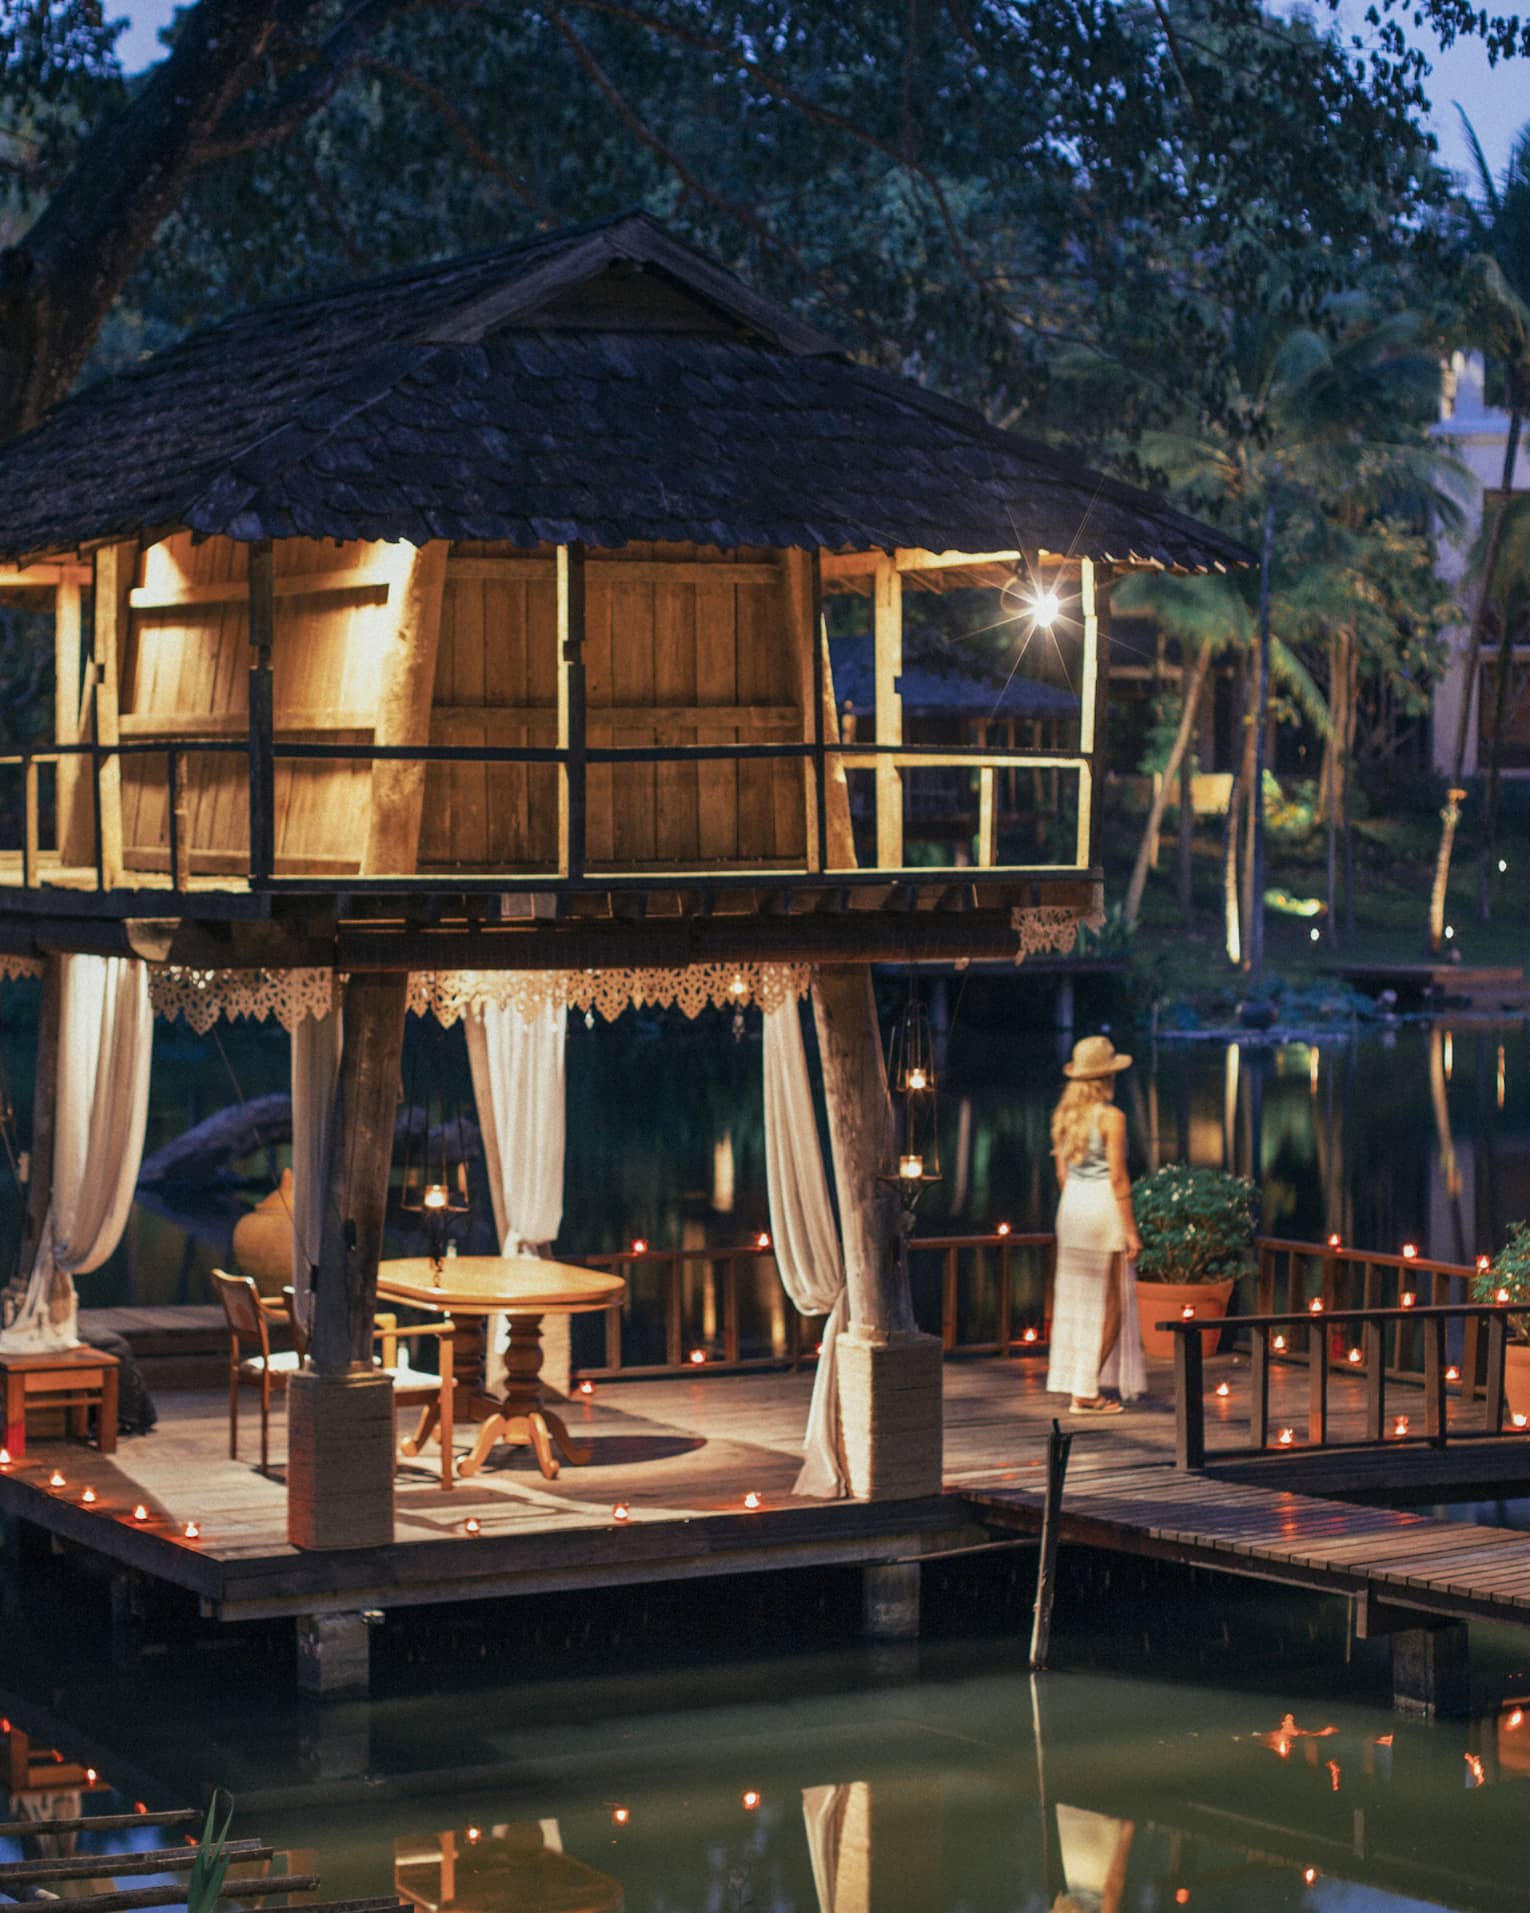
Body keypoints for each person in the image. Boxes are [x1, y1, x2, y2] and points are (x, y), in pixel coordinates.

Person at [1046, 1034, 1146, 1413]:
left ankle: (1080, 1382)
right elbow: (1119, 1178)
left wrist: (1078, 1203)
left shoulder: (1064, 1117)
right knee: (1111, 1305)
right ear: (1106, 1078)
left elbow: (1062, 1176)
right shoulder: (1111, 1117)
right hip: (1102, 1208)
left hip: (1072, 1210)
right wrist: (1131, 1230)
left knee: (1076, 1300)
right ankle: (1086, 1390)